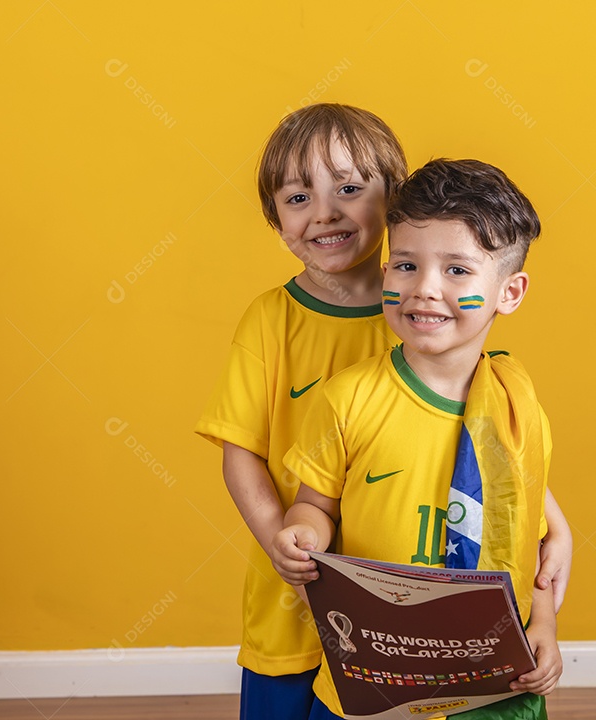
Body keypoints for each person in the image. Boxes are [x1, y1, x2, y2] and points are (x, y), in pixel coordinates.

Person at [196, 105, 571, 719]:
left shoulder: (424, 317)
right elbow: (241, 455)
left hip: (401, 587)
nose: (325, 212)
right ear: (274, 216)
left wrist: (554, 520)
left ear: (392, 201)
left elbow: (488, 438)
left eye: (349, 189)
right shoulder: (272, 321)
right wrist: (283, 548)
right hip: (300, 579)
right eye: (298, 197)